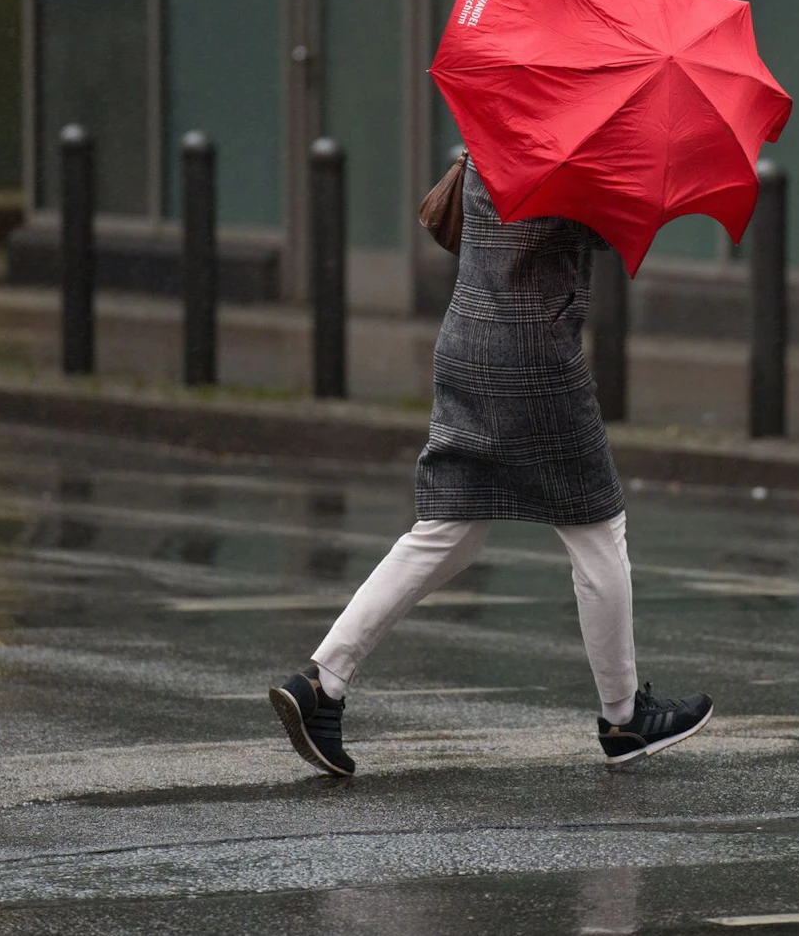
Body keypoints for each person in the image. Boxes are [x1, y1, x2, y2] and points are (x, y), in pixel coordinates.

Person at [269, 154, 712, 775]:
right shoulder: (574, 154)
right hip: (535, 360)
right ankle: (623, 718)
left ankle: (322, 682)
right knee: (596, 530)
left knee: (449, 530)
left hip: (465, 344)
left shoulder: (494, 128)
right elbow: (616, 233)